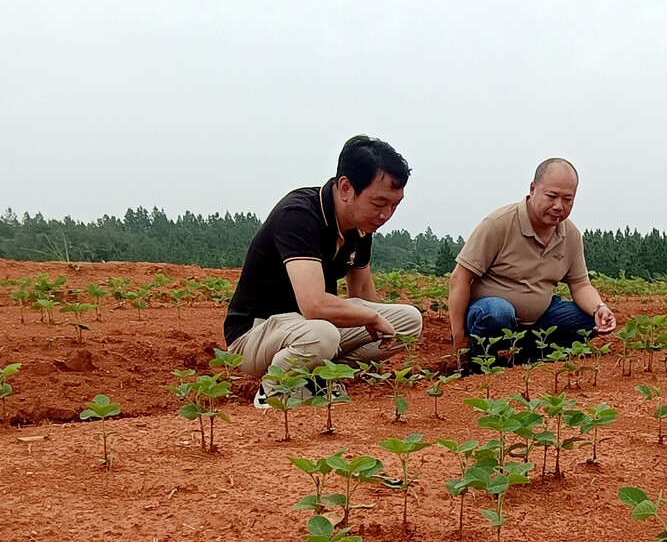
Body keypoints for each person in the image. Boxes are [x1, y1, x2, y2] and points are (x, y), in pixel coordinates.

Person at [223, 136, 424, 407]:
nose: (386, 215)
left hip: (310, 329)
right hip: (257, 333)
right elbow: (314, 304)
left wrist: (374, 323)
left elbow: (362, 291)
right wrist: (370, 316)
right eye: (378, 204)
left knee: (409, 322)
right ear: (345, 187)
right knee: (323, 334)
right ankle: (275, 388)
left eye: (394, 205)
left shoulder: (359, 225)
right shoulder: (299, 215)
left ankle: (320, 377)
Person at [449, 158, 616, 364]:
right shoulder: (498, 224)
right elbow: (460, 278)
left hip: (539, 320)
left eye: (567, 199)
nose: (558, 206)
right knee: (497, 312)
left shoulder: (570, 235)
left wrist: (599, 308)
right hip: (490, 315)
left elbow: (580, 284)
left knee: (590, 319)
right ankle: (482, 360)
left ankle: (528, 357)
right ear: (533, 188)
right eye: (551, 196)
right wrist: (459, 337)